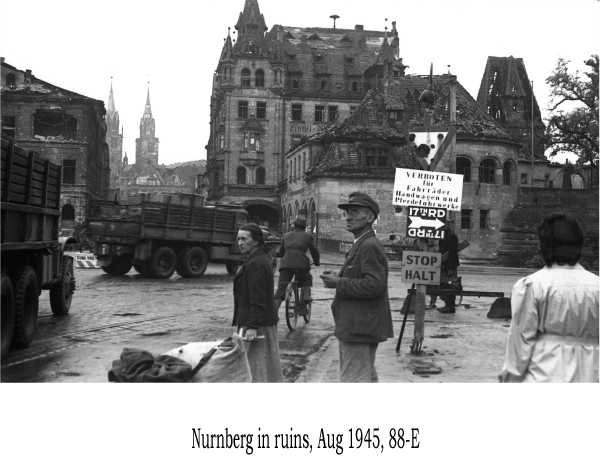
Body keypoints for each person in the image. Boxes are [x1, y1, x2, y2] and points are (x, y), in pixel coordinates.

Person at [498, 213, 599, 383]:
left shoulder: (532, 286)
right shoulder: (596, 286)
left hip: (544, 375)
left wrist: (510, 381)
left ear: (544, 246)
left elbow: (520, 343)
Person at [320, 192, 394, 382]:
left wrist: (339, 282)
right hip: (357, 325)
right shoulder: (361, 243)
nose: (349, 217)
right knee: (365, 378)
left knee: (353, 380)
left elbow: (375, 285)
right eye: (347, 213)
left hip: (359, 327)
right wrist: (339, 278)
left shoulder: (368, 245)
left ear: (370, 218)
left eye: (355, 212)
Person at [232, 223, 283, 382]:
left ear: (255, 241)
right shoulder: (258, 259)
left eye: (244, 239)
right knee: (264, 368)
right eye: (238, 239)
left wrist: (252, 327)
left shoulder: (256, 263)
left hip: (257, 325)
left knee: (255, 369)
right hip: (257, 323)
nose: (240, 243)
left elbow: (258, 299)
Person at [274, 217, 320, 315]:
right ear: (304, 227)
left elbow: (281, 252)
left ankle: (273, 314)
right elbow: (314, 251)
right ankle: (304, 301)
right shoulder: (308, 236)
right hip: (302, 264)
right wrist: (317, 262)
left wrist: (286, 258)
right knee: (306, 279)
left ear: (294, 226)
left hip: (286, 264)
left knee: (281, 288)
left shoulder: (285, 236)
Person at [437, 221, 460, 313]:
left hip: (448, 265)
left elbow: (452, 253)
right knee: (445, 284)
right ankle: (448, 304)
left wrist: (450, 268)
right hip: (445, 264)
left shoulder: (451, 235)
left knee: (449, 285)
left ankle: (450, 305)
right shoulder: (446, 234)